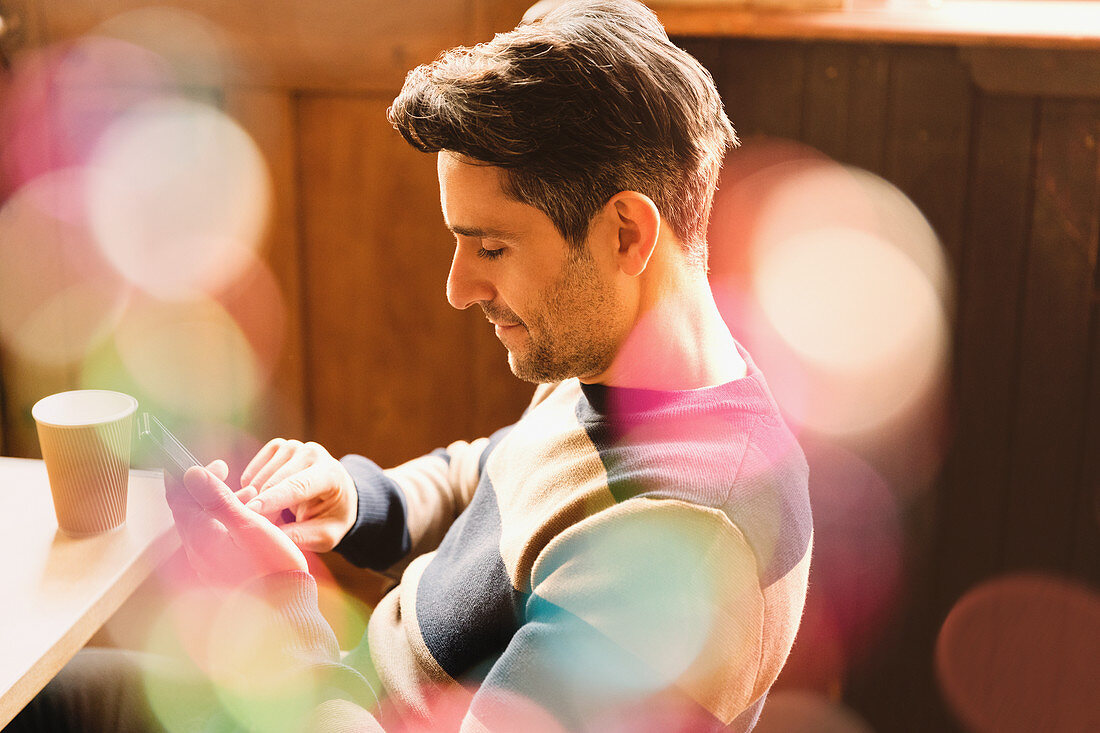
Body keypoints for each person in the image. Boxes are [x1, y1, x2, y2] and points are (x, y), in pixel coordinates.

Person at [8, 1, 811, 731]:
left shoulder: (681, 552)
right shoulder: (636, 365)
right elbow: (498, 476)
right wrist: (361, 501)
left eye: (491, 246)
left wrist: (280, 610)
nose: (459, 289)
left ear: (627, 234)